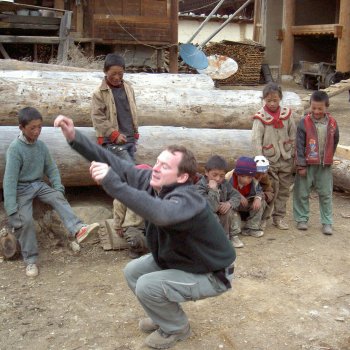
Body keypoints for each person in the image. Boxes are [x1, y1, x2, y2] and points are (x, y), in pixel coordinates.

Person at [54, 115, 236, 350]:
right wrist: (75, 138)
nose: (156, 169)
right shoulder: (155, 182)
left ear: (182, 177)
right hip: (183, 260)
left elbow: (160, 213)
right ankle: (165, 316)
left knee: (147, 285)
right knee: (133, 271)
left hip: (213, 273)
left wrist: (112, 183)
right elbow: (119, 165)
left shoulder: (190, 199)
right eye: (157, 162)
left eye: (165, 166)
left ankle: (176, 328)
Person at [3, 107, 100, 278]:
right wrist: (11, 208)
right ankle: (31, 260)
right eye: (32, 128)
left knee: (56, 196)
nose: (37, 131)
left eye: (39, 127)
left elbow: (52, 168)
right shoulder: (15, 149)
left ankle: (78, 228)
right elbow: (9, 180)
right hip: (22, 189)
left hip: (38, 184)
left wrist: (58, 187)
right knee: (25, 221)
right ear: (21, 128)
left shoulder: (41, 146)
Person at [252, 82, 296, 230]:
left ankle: (279, 217)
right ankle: (264, 217)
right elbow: (256, 139)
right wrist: (259, 159)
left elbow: (293, 133)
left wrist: (292, 151)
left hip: (286, 157)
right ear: (264, 99)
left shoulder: (287, 114)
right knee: (270, 189)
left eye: (275, 100)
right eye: (268, 100)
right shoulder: (260, 117)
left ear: (280, 98)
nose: (272, 103)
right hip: (269, 159)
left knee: (283, 189)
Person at [293, 91, 339, 235]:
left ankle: (327, 222)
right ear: (310, 106)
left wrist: (329, 156)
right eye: (314, 108)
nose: (316, 111)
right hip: (307, 164)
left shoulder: (332, 123)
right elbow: (299, 145)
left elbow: (335, 140)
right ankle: (301, 218)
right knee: (302, 192)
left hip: (324, 166)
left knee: (325, 193)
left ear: (327, 107)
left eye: (320, 108)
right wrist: (300, 164)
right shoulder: (304, 122)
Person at [91, 53, 139, 163]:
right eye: (113, 74)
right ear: (105, 71)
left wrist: (135, 131)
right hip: (112, 142)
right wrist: (114, 134)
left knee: (126, 175)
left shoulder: (129, 88)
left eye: (120, 74)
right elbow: (98, 118)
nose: (117, 77)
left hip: (129, 139)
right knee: (131, 172)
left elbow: (132, 111)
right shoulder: (99, 93)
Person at [196, 155, 244, 248]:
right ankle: (214, 240)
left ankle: (228, 237)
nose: (218, 179)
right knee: (212, 215)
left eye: (221, 176)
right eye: (214, 175)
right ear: (206, 172)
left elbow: (236, 195)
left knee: (229, 210)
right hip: (206, 222)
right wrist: (213, 190)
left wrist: (229, 203)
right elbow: (212, 208)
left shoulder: (224, 183)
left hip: (221, 220)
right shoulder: (199, 187)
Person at [113, 164, 151, 258]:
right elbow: (118, 209)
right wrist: (118, 226)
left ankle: (153, 247)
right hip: (134, 226)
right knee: (135, 239)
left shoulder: (157, 190)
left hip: (153, 226)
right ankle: (137, 248)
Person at [226, 156, 265, 238]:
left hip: (246, 204)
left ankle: (251, 228)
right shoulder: (229, 178)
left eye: (249, 177)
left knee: (261, 202)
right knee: (229, 210)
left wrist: (258, 198)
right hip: (233, 205)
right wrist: (238, 196)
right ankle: (233, 233)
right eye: (243, 176)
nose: (246, 180)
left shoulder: (254, 180)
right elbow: (225, 192)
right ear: (237, 173)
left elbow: (259, 190)